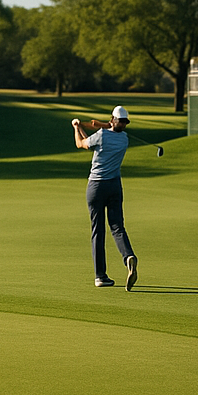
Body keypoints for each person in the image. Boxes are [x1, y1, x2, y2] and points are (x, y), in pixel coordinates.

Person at [71, 106, 138, 290]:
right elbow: (97, 136)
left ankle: (100, 276)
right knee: (117, 227)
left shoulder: (101, 135)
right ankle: (128, 256)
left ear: (113, 119)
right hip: (114, 186)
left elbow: (81, 144)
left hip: (96, 187)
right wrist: (103, 125)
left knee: (98, 231)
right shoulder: (124, 139)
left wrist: (76, 127)